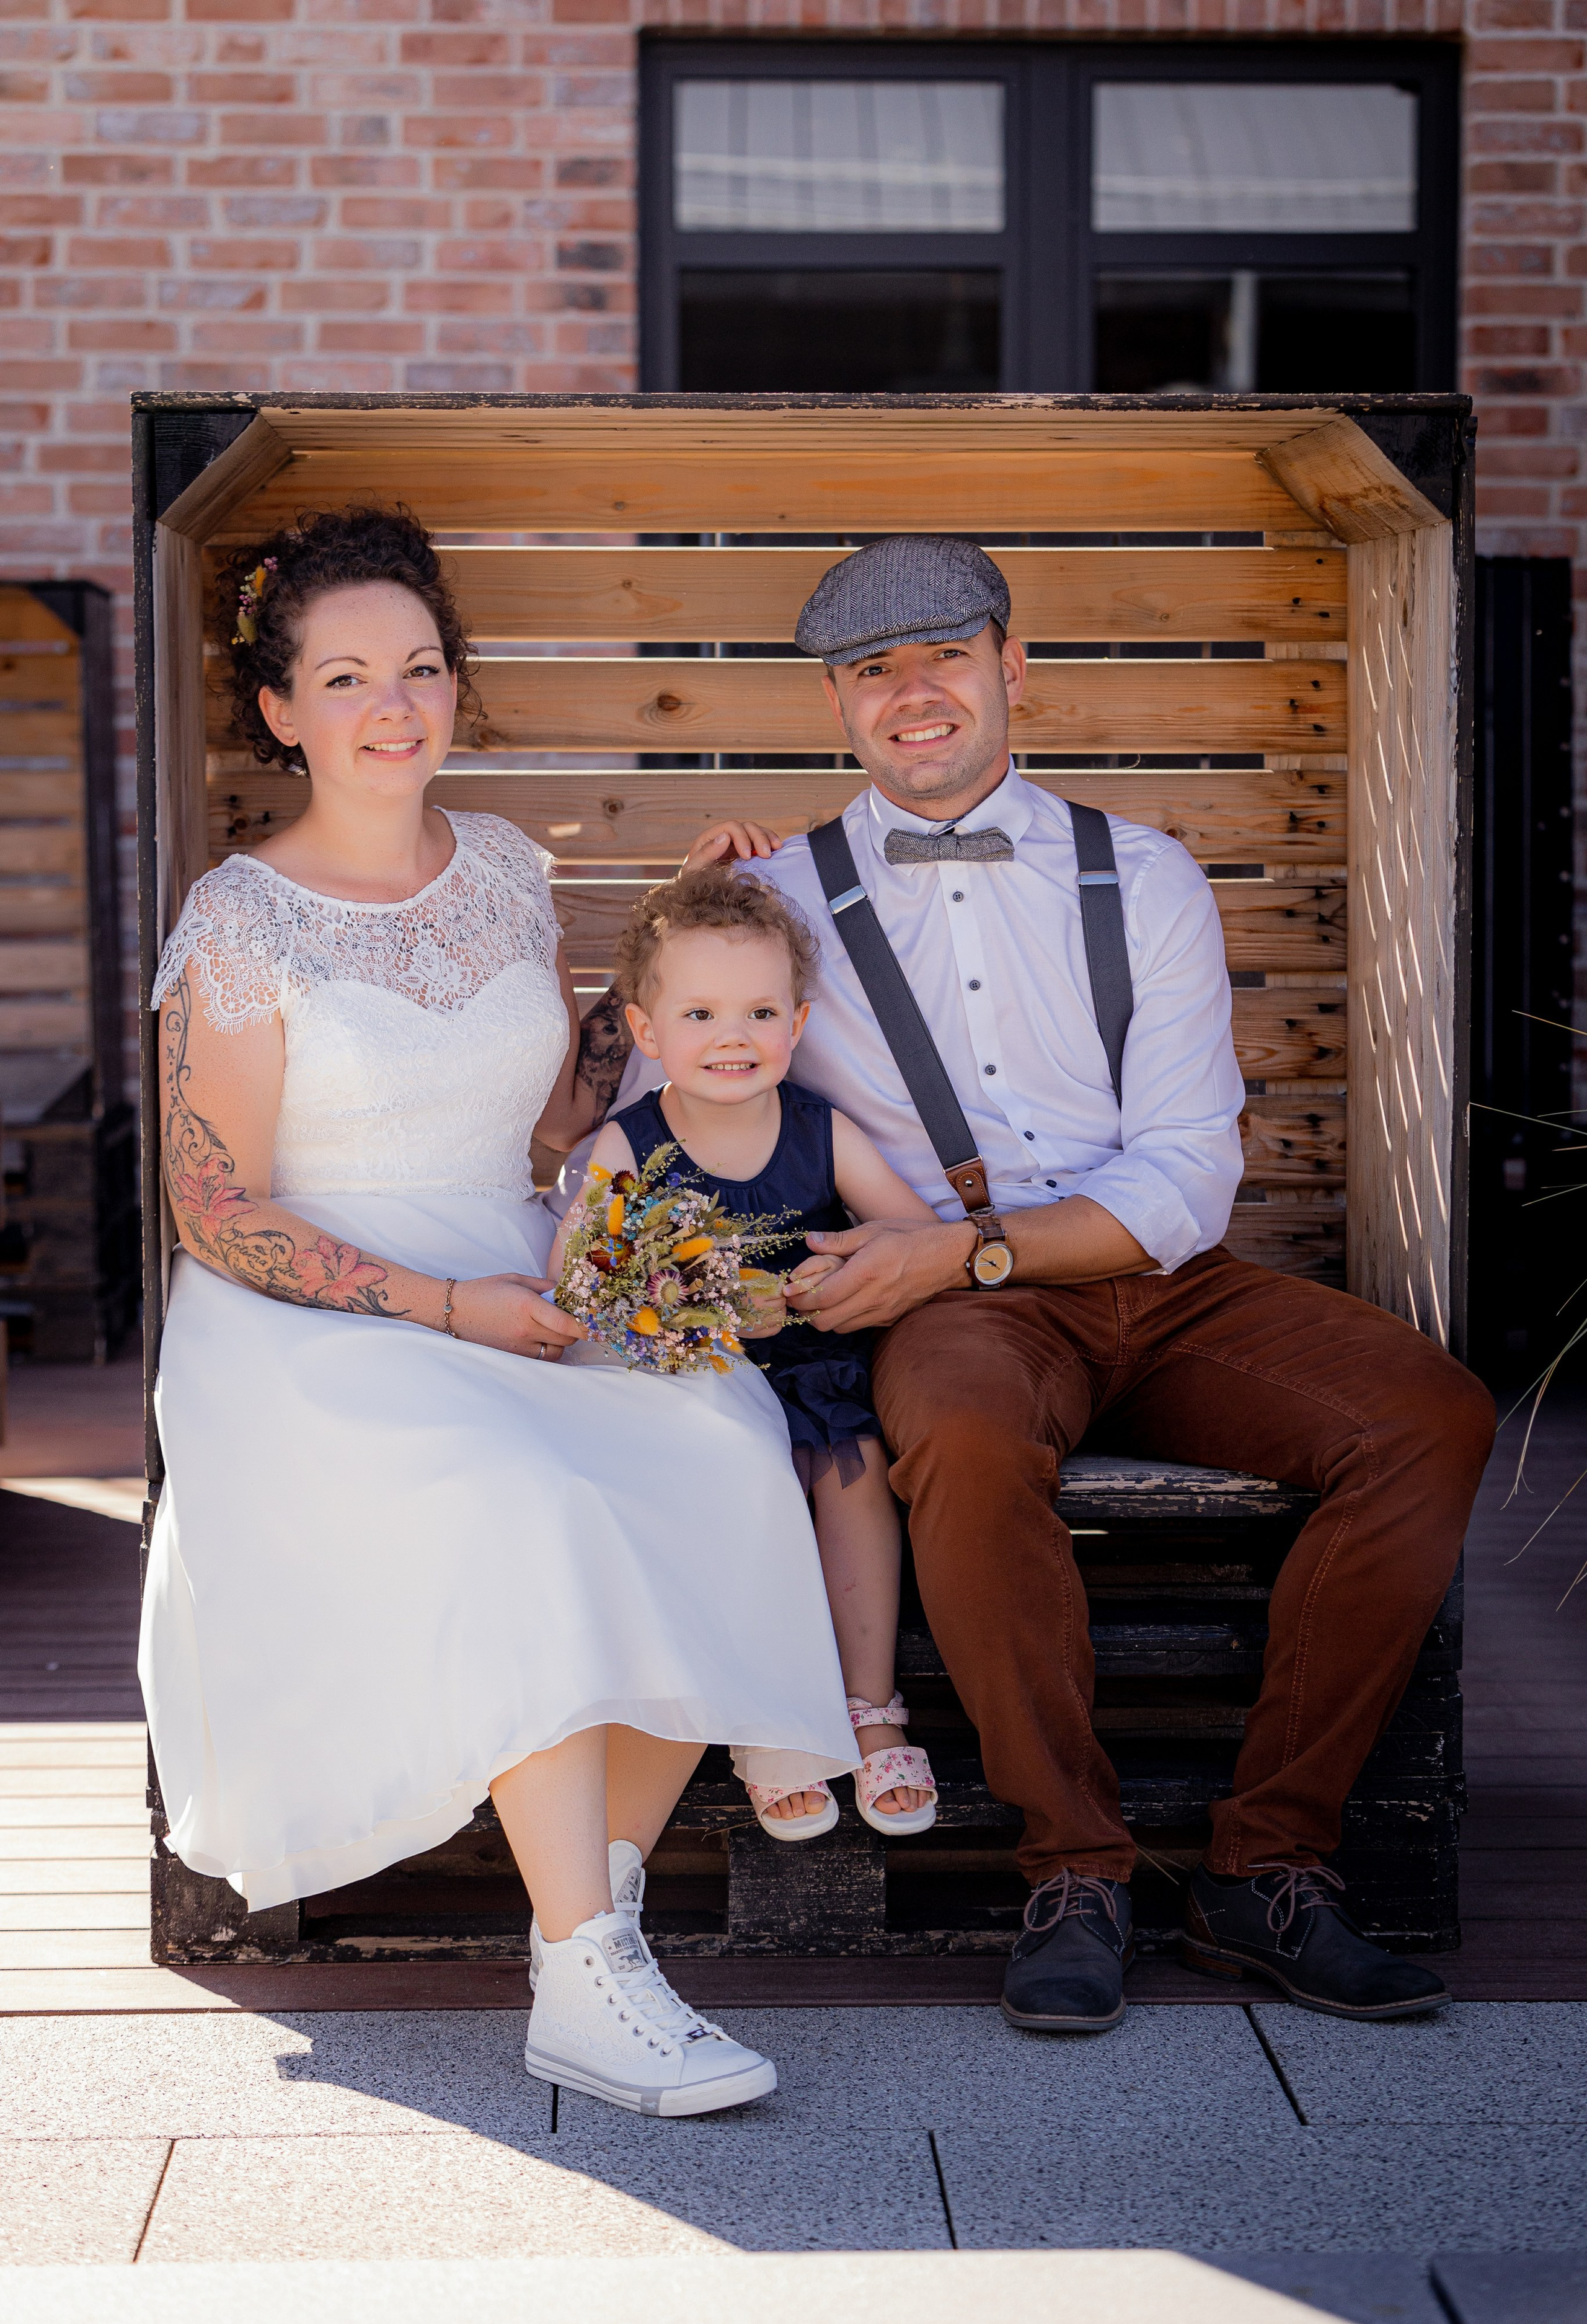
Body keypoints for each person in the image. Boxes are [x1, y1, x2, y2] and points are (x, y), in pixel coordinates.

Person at [696, 534, 1496, 2033]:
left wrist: (972, 1243)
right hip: (960, 1318)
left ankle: (1269, 1866)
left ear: (1015, 669)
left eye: (944, 653)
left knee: (1425, 1415)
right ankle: (1075, 1871)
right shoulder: (778, 900)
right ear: (835, 710)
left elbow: (1189, 1172)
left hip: (1152, 1275)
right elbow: (672, 1078)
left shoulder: (1143, 873)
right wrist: (680, 944)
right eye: (872, 671)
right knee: (968, 1436)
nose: (911, 693)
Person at [140, 505, 859, 2119]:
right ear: (281, 711)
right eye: (345, 677)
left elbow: (545, 1123)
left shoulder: (511, 867)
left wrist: (653, 963)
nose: (392, 706)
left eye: (418, 668)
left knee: (733, 1450)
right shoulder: (240, 922)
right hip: (315, 1321)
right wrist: (446, 1307)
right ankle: (592, 1968)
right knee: (525, 1500)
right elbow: (216, 1208)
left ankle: (585, 1935)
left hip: (514, 1256)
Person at [557, 869, 939, 1843]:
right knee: (742, 1481)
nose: (734, 1037)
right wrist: (693, 1300)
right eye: (701, 1013)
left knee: (853, 1480)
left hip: (816, 1370)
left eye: (760, 1011)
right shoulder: (629, 1145)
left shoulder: (821, 1131)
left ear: (799, 1023)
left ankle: (870, 1703)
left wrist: (833, 1282)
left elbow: (908, 1238)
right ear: (648, 1035)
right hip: (695, 1387)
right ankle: (770, 1723)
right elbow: (580, 1281)